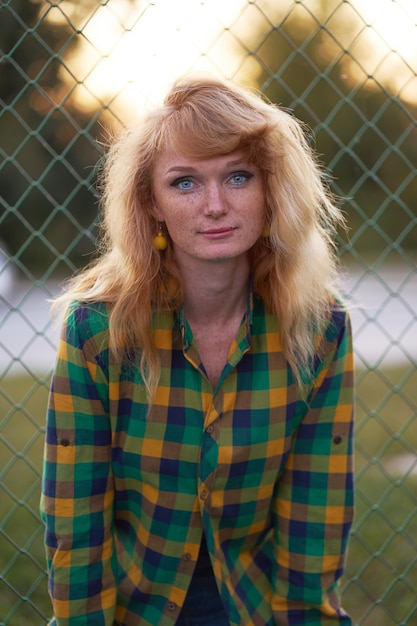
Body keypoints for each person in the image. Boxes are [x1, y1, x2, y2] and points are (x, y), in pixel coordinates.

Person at [40, 75, 355, 626]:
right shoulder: (97, 328)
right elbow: (76, 520)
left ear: (272, 190)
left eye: (238, 177)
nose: (215, 206)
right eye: (185, 183)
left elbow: (316, 515)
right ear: (152, 204)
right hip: (135, 605)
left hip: (254, 604)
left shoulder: (320, 326)